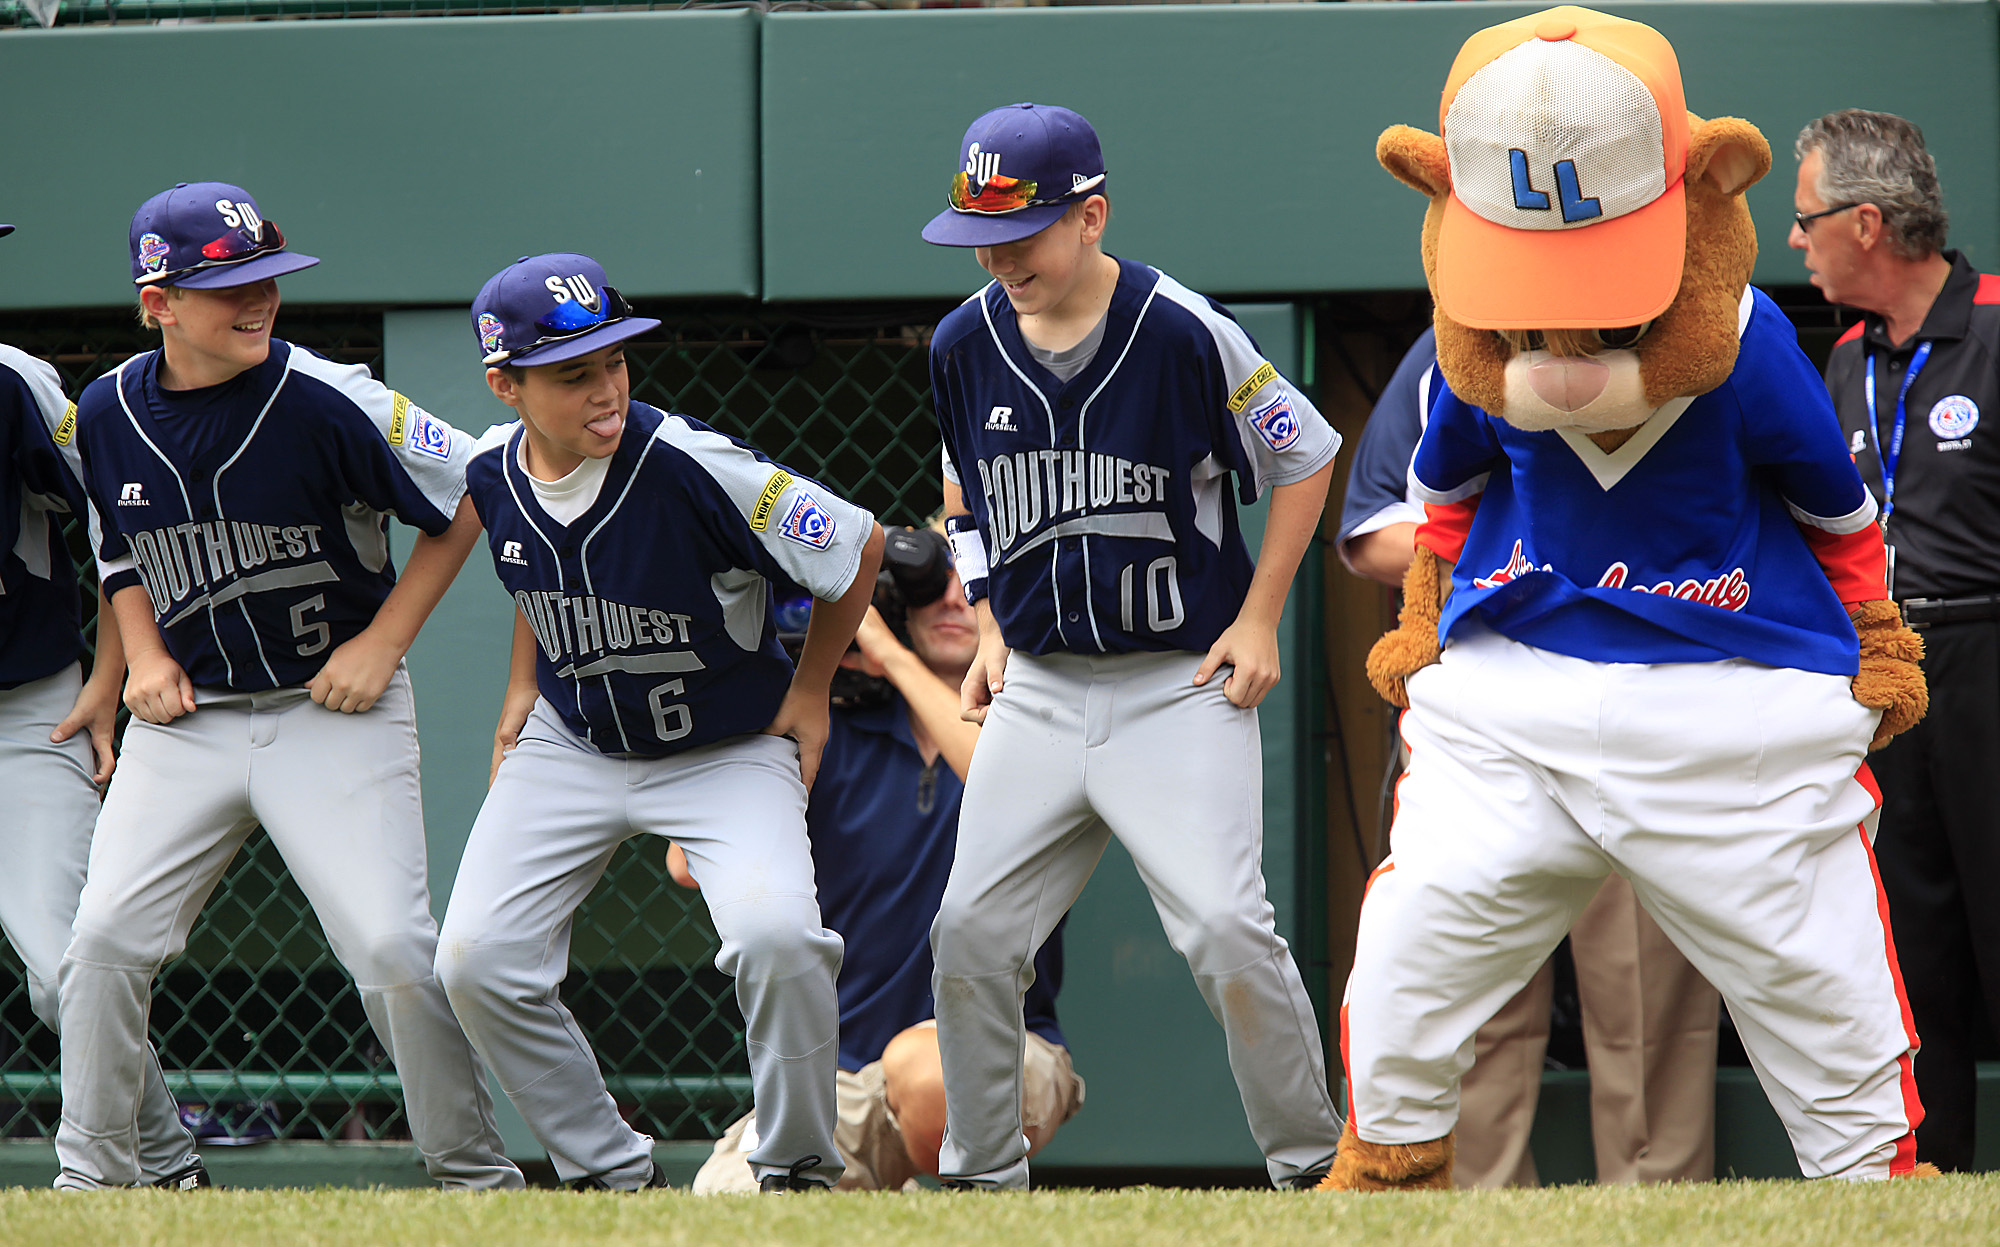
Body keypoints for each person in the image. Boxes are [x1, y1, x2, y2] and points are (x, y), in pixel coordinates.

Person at [53, 182, 521, 1191]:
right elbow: (119, 547)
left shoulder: (327, 392)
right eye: (226, 284)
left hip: (329, 714)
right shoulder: (105, 407)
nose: (257, 298)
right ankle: (93, 1181)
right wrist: (144, 653)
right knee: (100, 940)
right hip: (193, 721)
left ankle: (476, 1180)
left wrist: (387, 639)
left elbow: (477, 486)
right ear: (159, 305)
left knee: (393, 945)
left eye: (265, 274)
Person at [920, 102, 1344, 1190]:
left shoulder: (1182, 328)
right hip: (1042, 689)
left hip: (1177, 685)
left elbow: (1305, 455)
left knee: (1221, 928)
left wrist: (1259, 615)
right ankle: (979, 1180)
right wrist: (990, 620)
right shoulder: (962, 342)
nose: (998, 257)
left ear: (1091, 217)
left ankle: (1313, 1171)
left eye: (1020, 232)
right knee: (968, 929)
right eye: (980, 235)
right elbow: (963, 490)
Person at [432, 253, 883, 1193]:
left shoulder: (689, 462)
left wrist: (808, 694)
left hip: (726, 746)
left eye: (616, 361)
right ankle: (607, 1172)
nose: (606, 388)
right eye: (572, 372)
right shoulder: (489, 469)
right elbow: (540, 571)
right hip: (575, 743)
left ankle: (797, 1168)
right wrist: (523, 685)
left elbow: (857, 541)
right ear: (505, 385)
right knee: (475, 959)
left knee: (779, 939)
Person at [1338, 333, 1719, 1188]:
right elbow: (1369, 530)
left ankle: (1660, 1213)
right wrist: (1517, 548)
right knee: (1477, 987)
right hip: (1482, 716)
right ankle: (1485, 1208)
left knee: (1644, 998)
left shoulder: (1686, 340)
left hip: (1642, 704)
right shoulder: (1454, 352)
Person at [688, 527, 1085, 1192]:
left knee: (924, 1072)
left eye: (976, 584)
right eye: (935, 583)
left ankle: (961, 1200)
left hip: (1002, 1055)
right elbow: (685, 862)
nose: (957, 599)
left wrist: (893, 657)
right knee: (724, 1198)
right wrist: (782, 685)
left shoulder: (1045, 722)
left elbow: (1000, 782)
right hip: (840, 1077)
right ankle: (885, 1197)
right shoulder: (829, 729)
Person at [1794, 109, 2000, 1172]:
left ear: (1864, 223)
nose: (1793, 239)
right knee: (1908, 950)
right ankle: (1931, 1183)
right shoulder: (1838, 361)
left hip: (1986, 662)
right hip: (1883, 676)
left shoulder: (1997, 325)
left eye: (1803, 217)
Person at [0, 221, 208, 1190]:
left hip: (24, 714)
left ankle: (162, 1167)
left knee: (66, 974)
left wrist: (107, 675)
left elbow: (126, 520)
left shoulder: (18, 384)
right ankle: (166, 1166)